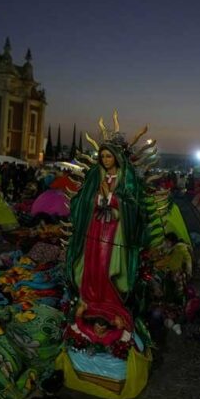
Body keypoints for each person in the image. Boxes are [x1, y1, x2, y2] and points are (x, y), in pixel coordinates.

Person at [66, 144, 146, 345]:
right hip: (95, 226)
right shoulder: (96, 174)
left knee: (105, 266)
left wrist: (111, 197)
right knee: (91, 265)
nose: (105, 160)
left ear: (116, 158)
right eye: (102, 156)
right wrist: (98, 197)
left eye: (109, 156)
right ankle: (90, 300)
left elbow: (132, 204)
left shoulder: (125, 176)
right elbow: (84, 198)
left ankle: (109, 301)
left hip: (115, 231)